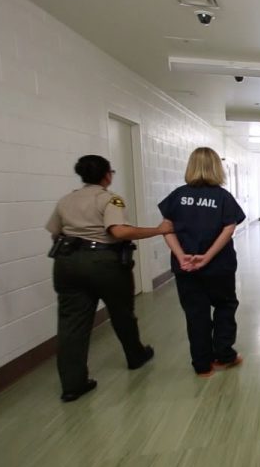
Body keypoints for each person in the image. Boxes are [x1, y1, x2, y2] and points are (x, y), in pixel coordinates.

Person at [46, 155, 173, 402]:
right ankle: (135, 356)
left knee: (71, 323)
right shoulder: (109, 199)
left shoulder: (66, 200)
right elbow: (119, 231)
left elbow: (55, 233)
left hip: (67, 264)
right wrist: (159, 230)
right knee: (121, 312)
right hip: (104, 263)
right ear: (107, 175)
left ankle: (73, 384)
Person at [158, 147, 246, 377]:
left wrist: (180, 254)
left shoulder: (177, 196)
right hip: (219, 266)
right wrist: (207, 256)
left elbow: (166, 229)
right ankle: (224, 356)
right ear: (217, 167)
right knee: (225, 306)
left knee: (195, 314)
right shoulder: (222, 197)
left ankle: (202, 365)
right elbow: (229, 228)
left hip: (186, 267)